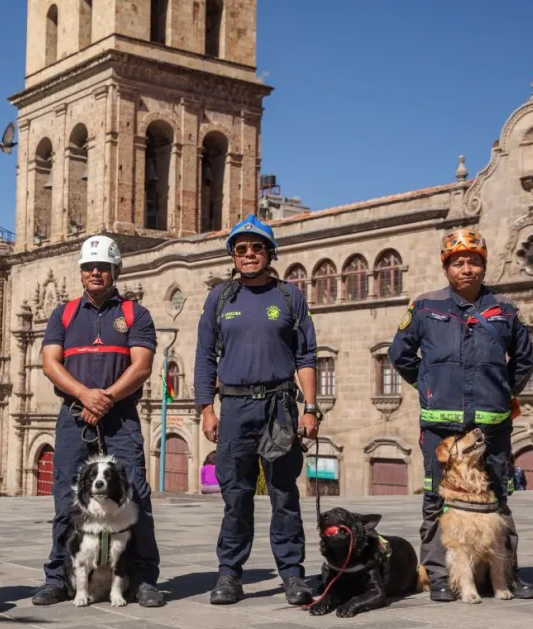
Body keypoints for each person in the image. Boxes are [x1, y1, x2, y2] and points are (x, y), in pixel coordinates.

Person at [388, 228, 533, 602]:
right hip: (441, 426)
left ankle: (509, 572)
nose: (466, 268)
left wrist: (503, 395)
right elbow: (400, 354)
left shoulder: (504, 311)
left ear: (484, 266)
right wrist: (428, 385)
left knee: (499, 499)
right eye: (458, 262)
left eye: (473, 261)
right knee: (435, 500)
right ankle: (440, 575)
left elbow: (525, 360)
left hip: (492, 426)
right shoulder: (425, 308)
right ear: (446, 268)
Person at [193, 214, 321, 607]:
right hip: (234, 408)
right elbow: (204, 358)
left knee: (284, 494)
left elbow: (306, 354)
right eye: (241, 249)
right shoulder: (220, 298)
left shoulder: (289, 296)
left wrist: (311, 408)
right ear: (233, 255)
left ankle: (293, 575)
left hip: (280, 408)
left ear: (270, 253)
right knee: (237, 496)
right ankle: (230, 575)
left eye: (256, 247)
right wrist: (206, 410)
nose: (249, 254)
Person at [32, 235, 165, 608]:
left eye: (103, 268)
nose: (95, 273)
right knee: (65, 499)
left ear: (116, 271)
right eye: (89, 267)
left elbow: (141, 367)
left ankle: (143, 580)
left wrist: (104, 398)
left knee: (135, 495)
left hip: (120, 418)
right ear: (80, 272)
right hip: (74, 416)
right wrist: (83, 395)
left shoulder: (135, 315)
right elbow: (50, 363)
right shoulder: (64, 314)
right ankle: (58, 578)